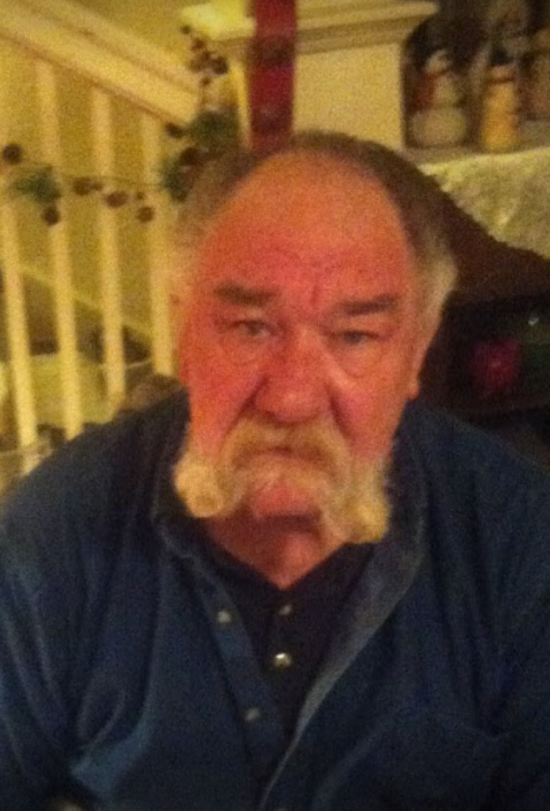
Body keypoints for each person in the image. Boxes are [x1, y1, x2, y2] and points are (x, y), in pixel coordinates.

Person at [1, 132, 550, 811]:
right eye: (249, 327)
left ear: (416, 352)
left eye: (355, 336)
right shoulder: (46, 538)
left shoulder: (520, 542)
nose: (291, 398)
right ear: (183, 331)